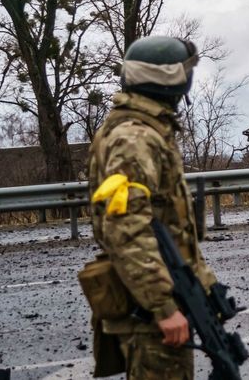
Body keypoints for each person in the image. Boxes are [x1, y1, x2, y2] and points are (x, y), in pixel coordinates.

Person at [86, 36, 218, 380]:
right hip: (151, 307)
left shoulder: (144, 129)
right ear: (172, 79)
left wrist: (203, 288)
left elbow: (168, 227)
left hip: (161, 291)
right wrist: (162, 306)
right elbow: (126, 229)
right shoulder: (135, 138)